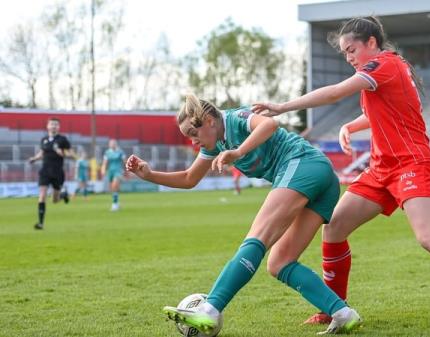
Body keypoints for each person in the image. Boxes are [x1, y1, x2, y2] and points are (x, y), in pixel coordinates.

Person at [253, 16, 430, 329]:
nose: (350, 57)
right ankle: (334, 309)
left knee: (429, 238)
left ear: (371, 42)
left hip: (410, 163)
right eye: (345, 54)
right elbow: (380, 112)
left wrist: (282, 107)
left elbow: (335, 93)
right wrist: (350, 125)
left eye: (352, 49)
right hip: (381, 168)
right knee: (335, 228)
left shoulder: (384, 65)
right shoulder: (387, 70)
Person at [126, 94, 362, 335]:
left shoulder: (234, 118)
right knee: (279, 263)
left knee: (257, 237)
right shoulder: (215, 144)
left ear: (209, 120)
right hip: (323, 181)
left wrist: (237, 152)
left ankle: (210, 309)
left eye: (193, 134)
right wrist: (149, 174)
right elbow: (189, 178)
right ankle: (342, 313)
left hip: (303, 163)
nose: (194, 142)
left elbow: (269, 124)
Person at [28, 117, 74, 230]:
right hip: (45, 171)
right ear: (47, 126)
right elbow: (42, 153)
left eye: (56, 124)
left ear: (59, 127)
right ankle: (40, 223)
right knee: (42, 195)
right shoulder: (44, 139)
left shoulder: (63, 139)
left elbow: (72, 155)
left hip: (57, 172)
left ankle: (63, 196)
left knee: (55, 200)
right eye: (51, 124)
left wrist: (62, 153)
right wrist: (34, 158)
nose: (53, 126)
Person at [101, 139, 126, 211]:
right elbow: (105, 163)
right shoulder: (107, 152)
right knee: (112, 188)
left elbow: (124, 162)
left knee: (114, 185)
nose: (112, 145)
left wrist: (127, 170)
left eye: (113, 143)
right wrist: (103, 169)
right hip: (110, 172)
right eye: (111, 144)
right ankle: (117, 202)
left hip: (118, 171)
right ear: (109, 145)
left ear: (116, 144)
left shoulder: (120, 152)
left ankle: (114, 205)